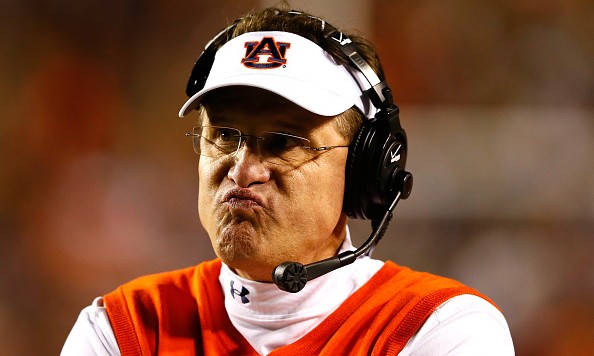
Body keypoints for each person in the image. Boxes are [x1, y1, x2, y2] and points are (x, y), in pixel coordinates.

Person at [62, 5, 514, 355]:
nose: (242, 170)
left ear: (364, 169)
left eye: (282, 142)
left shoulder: (439, 328)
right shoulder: (123, 330)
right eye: (222, 135)